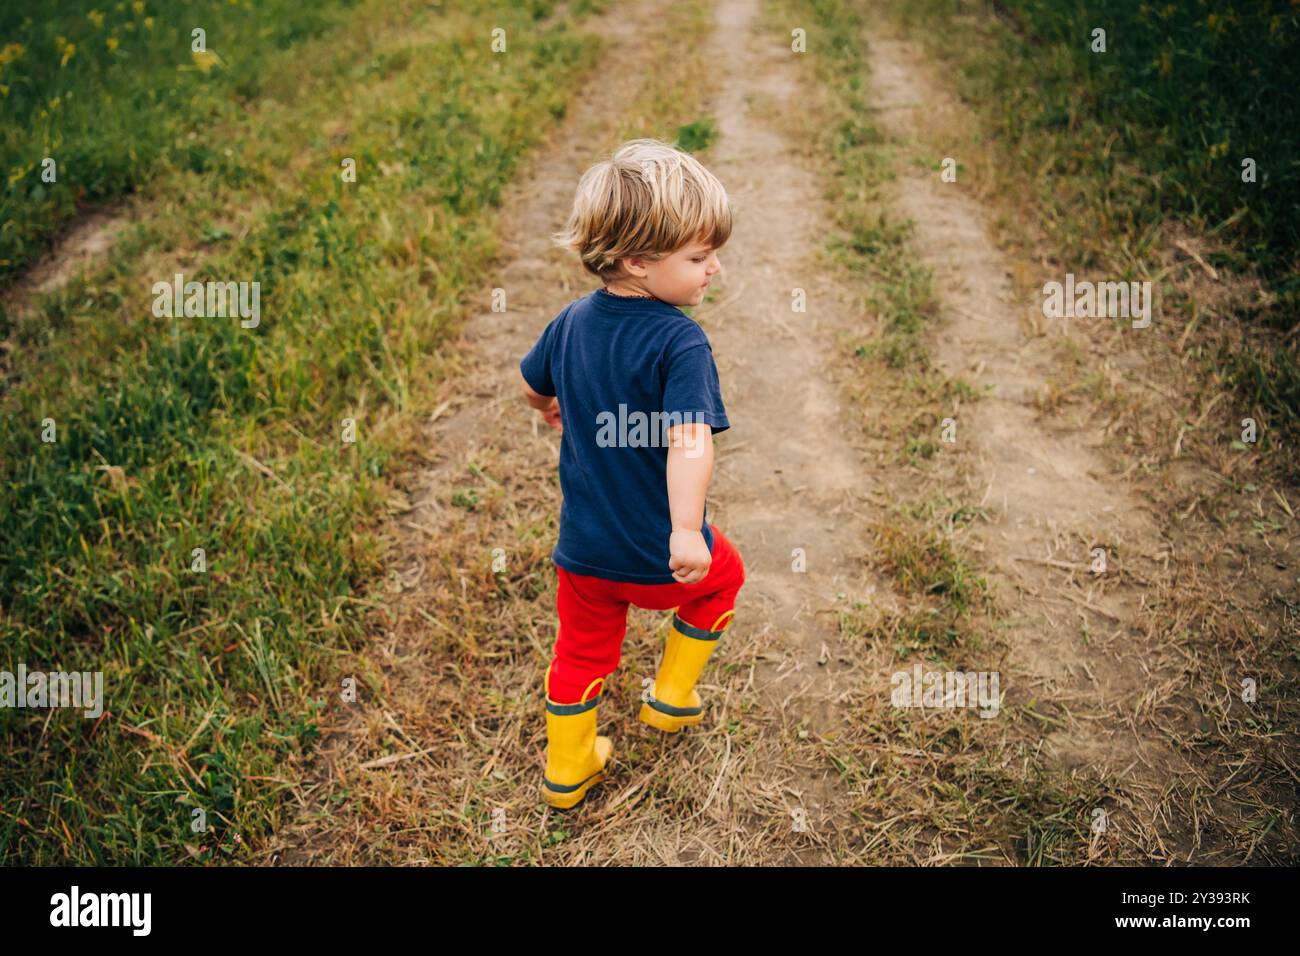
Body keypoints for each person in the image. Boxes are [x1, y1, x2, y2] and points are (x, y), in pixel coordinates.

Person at [518, 138, 746, 810]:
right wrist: (684, 531)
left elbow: (529, 385)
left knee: (580, 653)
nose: (714, 270)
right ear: (638, 261)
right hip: (656, 555)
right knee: (723, 577)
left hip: (584, 553)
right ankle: (672, 697)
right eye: (699, 258)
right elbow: (690, 442)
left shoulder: (571, 323)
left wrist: (549, 402)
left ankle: (568, 768)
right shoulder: (681, 342)